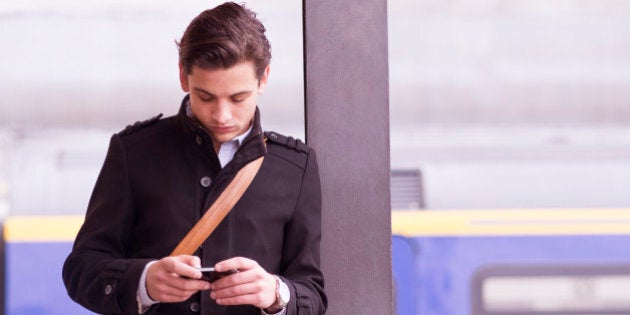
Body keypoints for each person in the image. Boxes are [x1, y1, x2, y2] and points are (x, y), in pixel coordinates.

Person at [62, 2, 326, 314]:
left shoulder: (296, 167)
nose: (222, 114)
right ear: (183, 77)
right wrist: (144, 283)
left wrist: (275, 293)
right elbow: (81, 269)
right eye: (206, 97)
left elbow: (313, 294)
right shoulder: (133, 152)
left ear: (263, 79)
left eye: (238, 98)